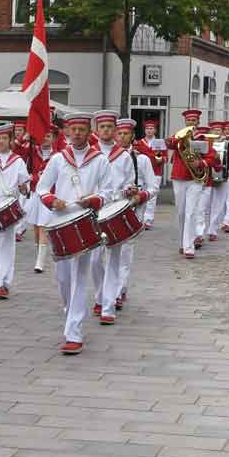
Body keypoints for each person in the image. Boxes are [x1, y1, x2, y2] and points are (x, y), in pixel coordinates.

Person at [37, 112, 111, 355]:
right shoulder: (59, 159)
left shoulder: (100, 160)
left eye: (81, 129)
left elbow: (109, 191)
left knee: (80, 278)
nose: (77, 134)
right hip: (59, 221)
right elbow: (42, 187)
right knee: (62, 279)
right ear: (67, 132)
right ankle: (71, 312)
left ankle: (74, 333)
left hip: (86, 222)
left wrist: (94, 200)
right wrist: (52, 200)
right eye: (73, 130)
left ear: (88, 131)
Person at [89, 110, 135, 325]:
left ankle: (108, 305)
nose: (106, 131)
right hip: (93, 210)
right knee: (94, 259)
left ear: (115, 130)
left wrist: (129, 190)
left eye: (110, 127)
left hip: (115, 208)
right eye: (102, 127)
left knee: (114, 258)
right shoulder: (89, 154)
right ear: (96, 130)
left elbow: (129, 182)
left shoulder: (124, 156)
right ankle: (99, 295)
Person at [0, 123, 30, 299]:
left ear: (10, 141)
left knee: (8, 244)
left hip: (9, 205)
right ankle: (0, 278)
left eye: (4, 138)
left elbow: (26, 186)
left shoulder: (17, 161)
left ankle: (5, 282)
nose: (1, 141)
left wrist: (24, 187)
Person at [115, 118, 158, 308]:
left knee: (125, 251)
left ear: (132, 136)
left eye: (126, 134)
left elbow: (153, 186)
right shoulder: (108, 158)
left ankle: (119, 290)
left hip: (133, 208)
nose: (122, 137)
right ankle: (111, 289)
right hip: (111, 208)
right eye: (120, 133)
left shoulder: (142, 159)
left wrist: (142, 196)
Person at [166, 109, 205, 259]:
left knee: (191, 212)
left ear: (198, 122)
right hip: (179, 177)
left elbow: (213, 157)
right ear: (185, 122)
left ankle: (189, 246)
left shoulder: (202, 137)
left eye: (194, 121)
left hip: (195, 179)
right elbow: (170, 145)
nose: (191, 123)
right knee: (181, 212)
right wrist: (176, 139)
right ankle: (183, 243)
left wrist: (201, 162)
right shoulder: (179, 136)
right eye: (189, 120)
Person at [24, 125, 59, 273]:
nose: (45, 139)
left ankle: (40, 261)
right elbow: (17, 152)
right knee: (37, 228)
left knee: (44, 226)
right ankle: (40, 252)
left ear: (54, 139)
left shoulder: (58, 156)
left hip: (49, 194)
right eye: (43, 136)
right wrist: (25, 138)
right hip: (35, 193)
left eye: (49, 136)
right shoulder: (32, 151)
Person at [134, 119, 165, 229]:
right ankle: (139, 219)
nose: (149, 130)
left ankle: (148, 220)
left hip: (155, 172)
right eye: (147, 128)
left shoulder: (159, 142)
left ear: (155, 130)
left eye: (151, 128)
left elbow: (163, 157)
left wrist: (160, 159)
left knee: (152, 197)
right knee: (141, 194)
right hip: (142, 174)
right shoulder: (138, 143)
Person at [205, 122, 229, 242]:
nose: (217, 132)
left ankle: (212, 230)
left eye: (219, 130)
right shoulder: (205, 143)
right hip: (207, 177)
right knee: (206, 205)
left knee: (218, 204)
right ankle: (202, 229)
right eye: (214, 130)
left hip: (222, 176)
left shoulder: (226, 144)